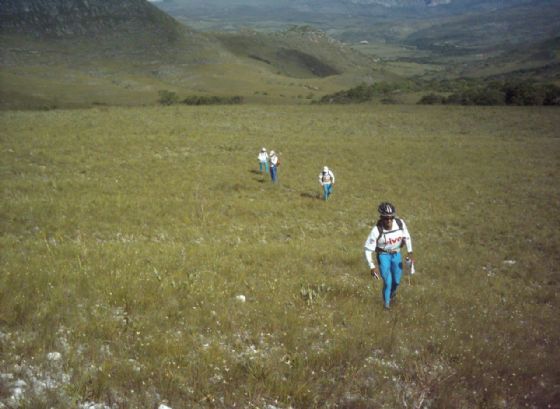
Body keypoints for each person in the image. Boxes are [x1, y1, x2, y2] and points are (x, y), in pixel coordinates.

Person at [364, 202, 414, 310]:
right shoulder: (377, 230)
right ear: (381, 218)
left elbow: (407, 236)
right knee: (388, 281)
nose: (389, 221)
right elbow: (368, 249)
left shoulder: (400, 223)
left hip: (396, 254)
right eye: (386, 218)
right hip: (383, 256)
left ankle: (392, 295)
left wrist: (410, 251)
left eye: (391, 218)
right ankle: (386, 305)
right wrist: (372, 266)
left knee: (396, 281)